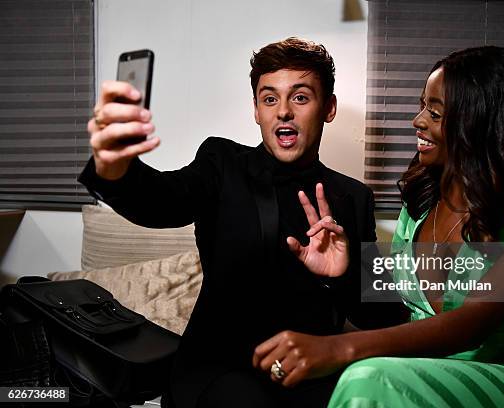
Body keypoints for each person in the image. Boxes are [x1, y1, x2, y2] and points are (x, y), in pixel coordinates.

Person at [249, 46, 504, 407]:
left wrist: (338, 348)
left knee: (367, 376)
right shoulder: (418, 207)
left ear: (482, 122)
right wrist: (344, 274)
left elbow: (474, 321)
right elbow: (403, 321)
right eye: (422, 106)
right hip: (428, 374)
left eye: (435, 112)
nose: (417, 120)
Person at [79, 37, 406, 408]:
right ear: (256, 110)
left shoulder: (354, 198)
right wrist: (115, 167)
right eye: (270, 99)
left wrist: (344, 275)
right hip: (220, 370)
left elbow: (383, 317)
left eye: (300, 97)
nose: (283, 111)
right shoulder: (222, 163)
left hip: (307, 372)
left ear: (328, 108)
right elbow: (162, 201)